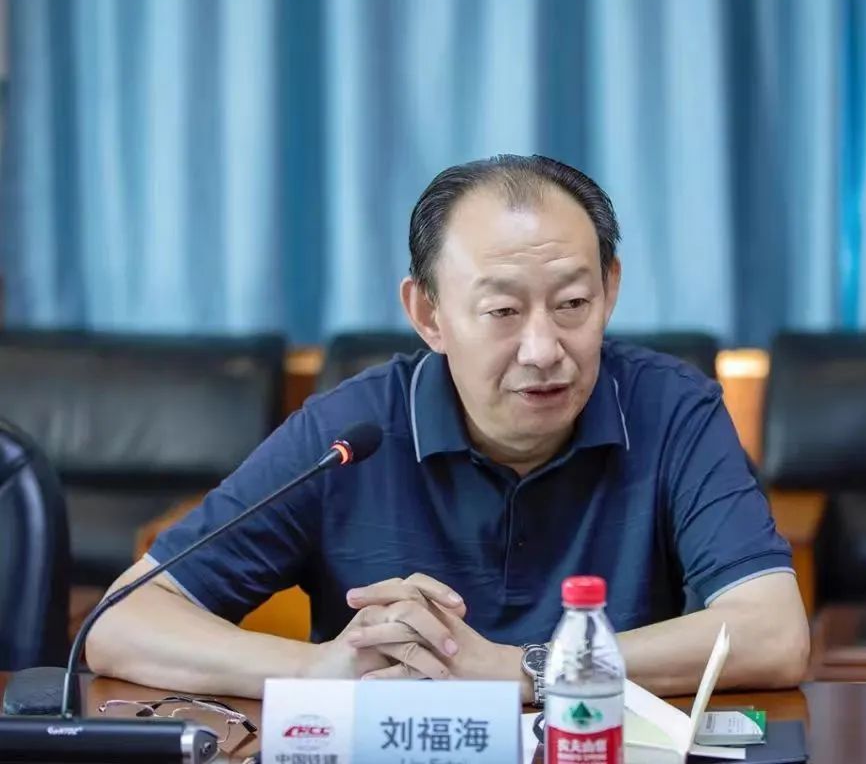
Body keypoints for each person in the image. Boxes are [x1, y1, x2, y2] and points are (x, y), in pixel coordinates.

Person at [87, 155, 809, 702]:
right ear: (428, 314)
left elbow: (773, 633)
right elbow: (122, 622)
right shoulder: (351, 433)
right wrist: (317, 669)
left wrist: (521, 668)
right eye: (502, 312)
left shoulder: (671, 409)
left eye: (572, 304)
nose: (543, 349)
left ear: (609, 289)